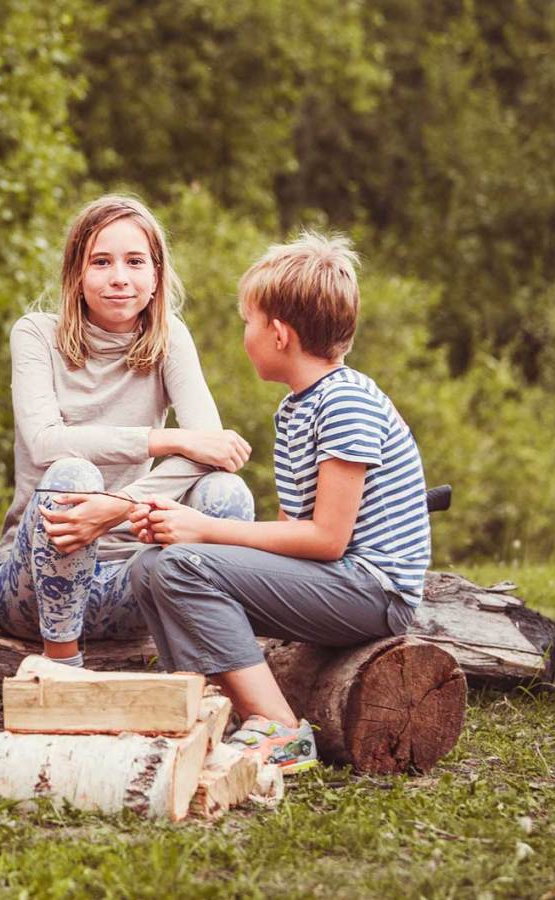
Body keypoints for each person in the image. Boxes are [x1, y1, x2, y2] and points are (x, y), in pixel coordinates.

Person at [128, 232, 431, 773]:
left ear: (279, 334)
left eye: (248, 321)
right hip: (337, 579)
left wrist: (203, 531)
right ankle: (201, 708)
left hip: (375, 590)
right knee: (150, 566)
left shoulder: (345, 403)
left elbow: (327, 539)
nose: (244, 334)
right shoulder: (297, 409)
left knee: (181, 564)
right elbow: (295, 536)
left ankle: (281, 729)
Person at [0, 195, 255, 668]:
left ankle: (215, 678)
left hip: (127, 583)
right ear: (75, 275)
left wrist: (118, 509)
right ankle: (61, 670)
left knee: (225, 491)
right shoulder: (35, 334)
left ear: (156, 276)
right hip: (32, 590)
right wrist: (166, 439)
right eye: (101, 262)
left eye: (135, 262)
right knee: (72, 476)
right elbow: (46, 442)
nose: (119, 277)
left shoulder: (169, 337)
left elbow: (212, 448)